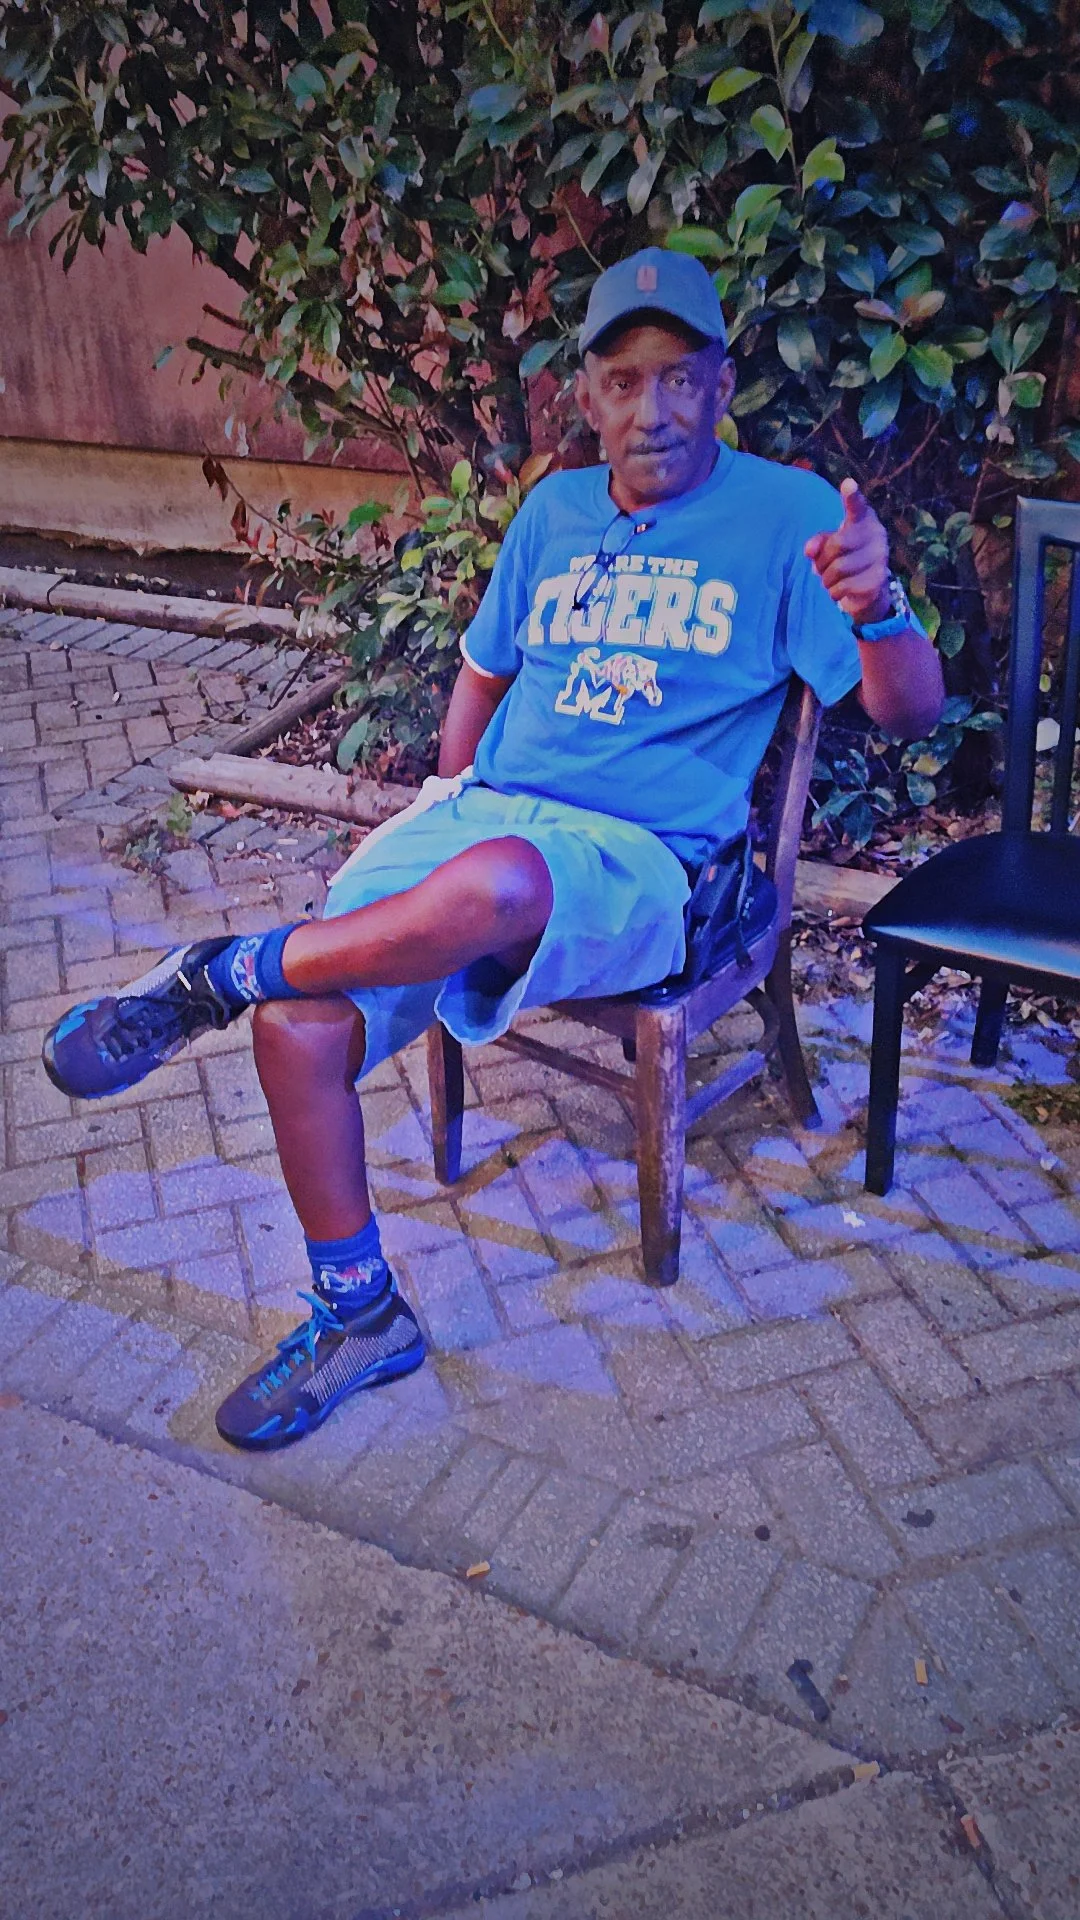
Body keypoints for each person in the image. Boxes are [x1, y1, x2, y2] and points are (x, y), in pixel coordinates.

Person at [42, 247, 944, 1451]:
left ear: (724, 387)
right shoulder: (552, 512)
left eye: (681, 378)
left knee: (501, 883)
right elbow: (482, 669)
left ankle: (224, 966)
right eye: (624, 382)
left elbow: (909, 712)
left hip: (644, 861)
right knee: (298, 1023)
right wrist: (446, 797)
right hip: (485, 824)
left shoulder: (792, 518)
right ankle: (358, 1311)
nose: (654, 410)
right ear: (588, 398)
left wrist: (878, 607)